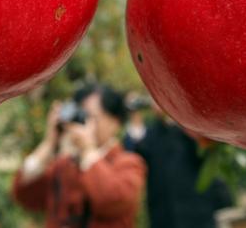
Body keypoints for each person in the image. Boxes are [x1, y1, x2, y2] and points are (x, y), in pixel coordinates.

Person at [12, 84, 146, 228]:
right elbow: (25, 196)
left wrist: (88, 150)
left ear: (115, 122)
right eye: (80, 116)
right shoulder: (64, 165)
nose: (82, 123)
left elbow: (109, 199)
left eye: (90, 116)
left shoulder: (130, 164)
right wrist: (49, 143)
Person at [125, 100, 233, 228]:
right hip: (164, 218)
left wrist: (176, 115)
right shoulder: (150, 135)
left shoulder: (192, 129)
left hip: (198, 216)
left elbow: (206, 150)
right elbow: (134, 156)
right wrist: (135, 117)